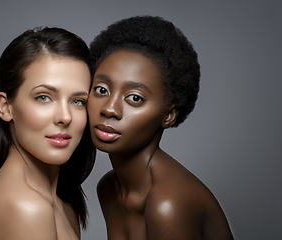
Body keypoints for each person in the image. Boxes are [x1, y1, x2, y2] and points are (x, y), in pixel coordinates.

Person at [87, 15, 234, 239]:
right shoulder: (108, 189)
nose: (109, 109)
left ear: (168, 115)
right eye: (101, 90)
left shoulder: (167, 204)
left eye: (135, 98)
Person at [0, 27, 95, 240]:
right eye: (44, 97)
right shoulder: (25, 208)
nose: (65, 117)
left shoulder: (63, 205)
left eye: (77, 101)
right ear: (6, 107)